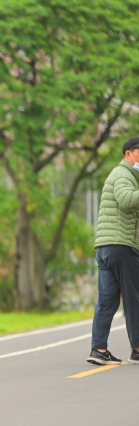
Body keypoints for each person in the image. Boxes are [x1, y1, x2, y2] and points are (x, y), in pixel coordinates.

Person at [88, 137, 139, 365]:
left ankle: (98, 349)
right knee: (133, 299)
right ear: (129, 153)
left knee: (107, 300)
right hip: (121, 246)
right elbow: (127, 200)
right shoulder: (122, 174)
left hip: (106, 246)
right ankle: (137, 349)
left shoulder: (125, 175)